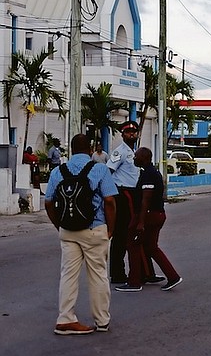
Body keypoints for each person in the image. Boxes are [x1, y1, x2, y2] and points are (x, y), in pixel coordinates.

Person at [44, 134, 117, 335]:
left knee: (68, 275)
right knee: (98, 275)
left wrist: (59, 225)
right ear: (90, 148)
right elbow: (110, 201)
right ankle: (102, 321)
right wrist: (110, 229)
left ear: (72, 150)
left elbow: (48, 202)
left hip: (68, 230)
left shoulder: (58, 171)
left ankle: (65, 319)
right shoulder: (100, 169)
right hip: (94, 229)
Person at [116, 147, 182, 292]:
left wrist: (140, 222)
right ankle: (172, 276)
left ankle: (134, 281)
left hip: (149, 216)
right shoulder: (150, 172)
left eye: (136, 156)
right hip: (156, 214)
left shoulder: (149, 175)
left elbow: (146, 198)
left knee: (132, 244)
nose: (134, 158)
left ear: (144, 158)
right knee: (151, 247)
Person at [107, 120, 141, 284]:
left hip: (133, 194)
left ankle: (134, 270)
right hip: (122, 194)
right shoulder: (119, 152)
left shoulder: (134, 152)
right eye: (128, 132)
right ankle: (117, 273)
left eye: (134, 132)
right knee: (120, 234)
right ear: (123, 135)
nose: (132, 134)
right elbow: (108, 171)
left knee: (130, 233)